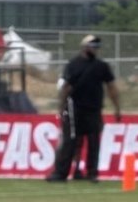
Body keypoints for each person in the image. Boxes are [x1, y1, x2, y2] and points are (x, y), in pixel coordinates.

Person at [47, 35, 123, 183]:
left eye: (96, 47)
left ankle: (92, 173)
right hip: (74, 108)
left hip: (94, 109)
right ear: (84, 47)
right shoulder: (74, 64)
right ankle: (61, 173)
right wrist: (61, 109)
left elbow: (111, 87)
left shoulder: (102, 66)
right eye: (92, 46)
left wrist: (117, 108)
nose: (95, 50)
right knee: (70, 142)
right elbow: (65, 88)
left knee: (94, 142)